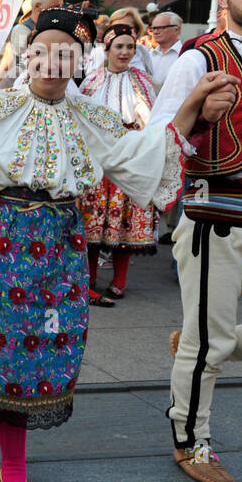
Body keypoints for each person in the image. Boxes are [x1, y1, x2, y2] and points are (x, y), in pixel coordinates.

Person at [0, 5, 228, 482]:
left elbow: (144, 157)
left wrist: (193, 108)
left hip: (60, 245)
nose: (53, 63)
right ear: (28, 56)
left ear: (78, 61)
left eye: (65, 54)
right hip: (0, 241)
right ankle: (11, 457)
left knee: (42, 349)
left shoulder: (93, 119)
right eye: (44, 52)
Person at [150, 0, 242, 482]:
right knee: (208, 347)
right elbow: (159, 136)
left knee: (208, 339)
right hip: (218, 211)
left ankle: (198, 340)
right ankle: (192, 442)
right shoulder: (199, 57)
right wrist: (199, 113)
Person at [78, 25, 159, 304]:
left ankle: (119, 280)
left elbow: (153, 121)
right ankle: (88, 278)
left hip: (129, 158)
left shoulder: (143, 82)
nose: (125, 52)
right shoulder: (91, 81)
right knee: (92, 222)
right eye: (119, 46)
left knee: (124, 221)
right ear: (107, 49)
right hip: (98, 161)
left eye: (130, 47)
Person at [0, 0, 64, 88]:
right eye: (56, 7)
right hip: (20, 88)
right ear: (38, 6)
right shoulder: (21, 30)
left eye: (61, 7)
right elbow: (31, 59)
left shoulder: (48, 28)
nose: (60, 11)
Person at [147, 10, 185, 89]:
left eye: (161, 28)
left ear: (177, 29)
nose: (155, 32)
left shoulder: (184, 55)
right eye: (153, 28)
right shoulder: (149, 55)